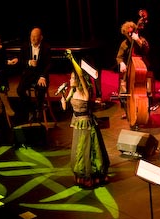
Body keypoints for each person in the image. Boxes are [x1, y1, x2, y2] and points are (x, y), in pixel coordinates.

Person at [61, 49, 110, 188]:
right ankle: (81, 174)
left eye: (72, 78)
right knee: (79, 149)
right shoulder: (72, 91)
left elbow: (81, 75)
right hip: (77, 124)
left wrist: (72, 60)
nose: (70, 80)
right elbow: (65, 107)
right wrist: (63, 99)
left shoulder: (85, 93)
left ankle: (93, 175)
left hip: (87, 124)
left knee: (90, 150)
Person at [115, 13, 152, 119]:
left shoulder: (142, 39)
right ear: (125, 34)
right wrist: (121, 63)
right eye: (128, 34)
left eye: (132, 33)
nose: (130, 35)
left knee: (146, 92)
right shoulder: (124, 43)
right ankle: (128, 110)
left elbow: (146, 50)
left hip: (142, 68)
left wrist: (138, 40)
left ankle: (144, 111)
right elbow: (119, 57)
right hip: (129, 70)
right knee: (123, 92)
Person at [17, 27, 51, 122]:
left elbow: (49, 64)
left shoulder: (46, 47)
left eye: (36, 37)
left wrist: (43, 76)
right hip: (29, 74)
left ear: (41, 37)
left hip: (41, 74)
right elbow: (20, 61)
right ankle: (31, 108)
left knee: (40, 88)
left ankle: (38, 109)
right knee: (20, 90)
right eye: (32, 36)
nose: (33, 39)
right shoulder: (25, 46)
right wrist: (28, 62)